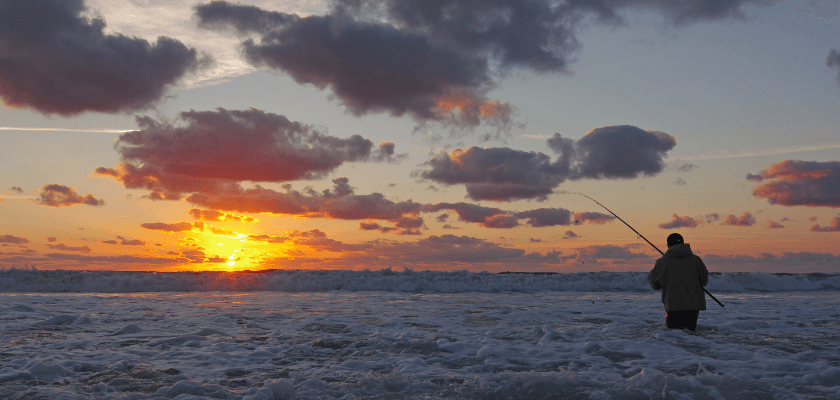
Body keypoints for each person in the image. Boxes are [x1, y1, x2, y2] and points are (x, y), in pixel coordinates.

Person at [647, 233, 709, 331]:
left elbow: (654, 284)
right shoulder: (696, 260)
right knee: (690, 337)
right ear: (684, 244)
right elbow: (704, 281)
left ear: (668, 245)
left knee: (674, 339)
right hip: (693, 306)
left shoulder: (664, 261)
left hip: (673, 305)